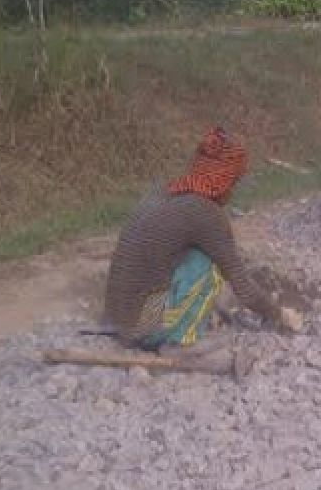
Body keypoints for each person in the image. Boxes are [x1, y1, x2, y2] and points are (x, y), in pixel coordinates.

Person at [104, 126, 303, 349]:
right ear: (228, 178)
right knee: (208, 265)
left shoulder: (164, 193)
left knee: (190, 254)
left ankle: (165, 319)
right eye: (235, 180)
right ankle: (179, 340)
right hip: (141, 330)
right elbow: (243, 287)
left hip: (114, 319)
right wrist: (280, 314)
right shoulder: (204, 211)